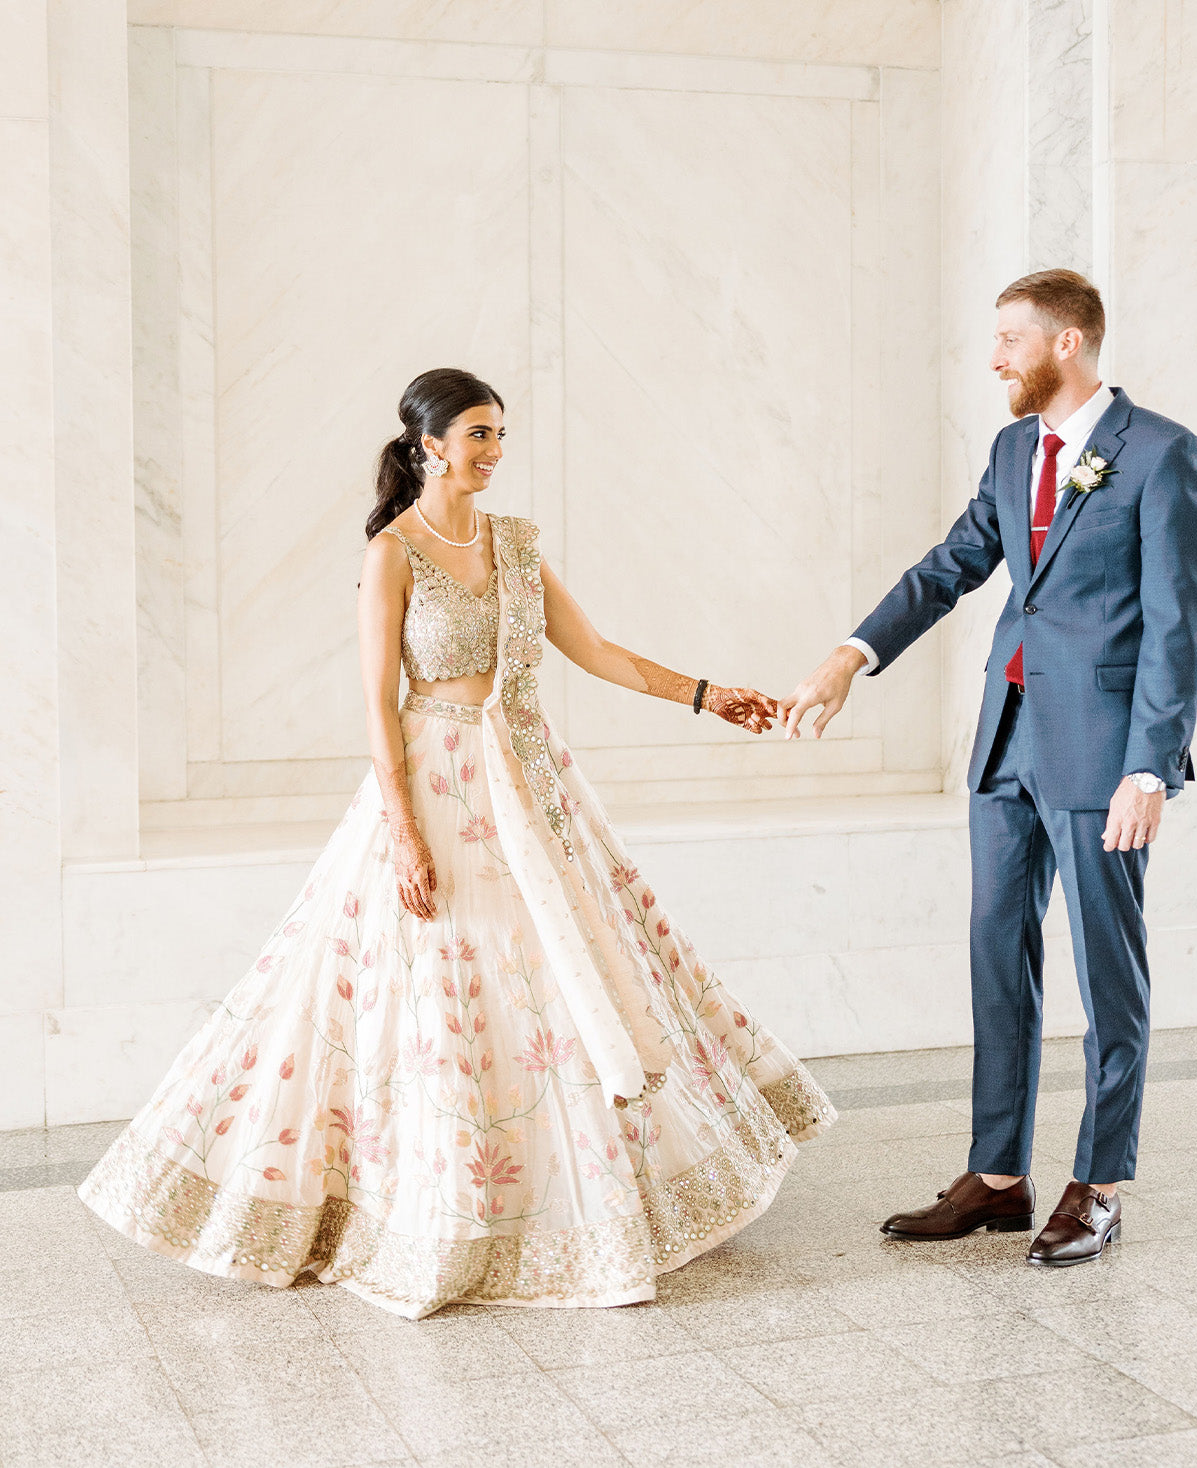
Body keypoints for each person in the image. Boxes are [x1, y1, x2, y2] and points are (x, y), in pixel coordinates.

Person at [79, 366, 834, 1318]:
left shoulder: (515, 545)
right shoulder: (392, 552)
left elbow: (597, 653)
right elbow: (376, 706)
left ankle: (577, 1195)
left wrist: (708, 694)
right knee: (447, 983)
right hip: (436, 781)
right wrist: (402, 831)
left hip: (530, 775)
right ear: (428, 443)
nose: (495, 452)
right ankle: (432, 1203)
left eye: (500, 435)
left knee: (558, 974)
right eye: (479, 435)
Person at [783, 270, 1197, 1267]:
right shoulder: (1017, 448)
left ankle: (1098, 1183)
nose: (995, 357)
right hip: (1007, 738)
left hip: (1103, 752)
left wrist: (1152, 767)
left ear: (1067, 343)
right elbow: (954, 563)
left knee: (1110, 969)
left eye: (1011, 338)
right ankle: (999, 1177)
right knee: (994, 954)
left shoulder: (1161, 454)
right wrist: (852, 654)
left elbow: (1179, 624)